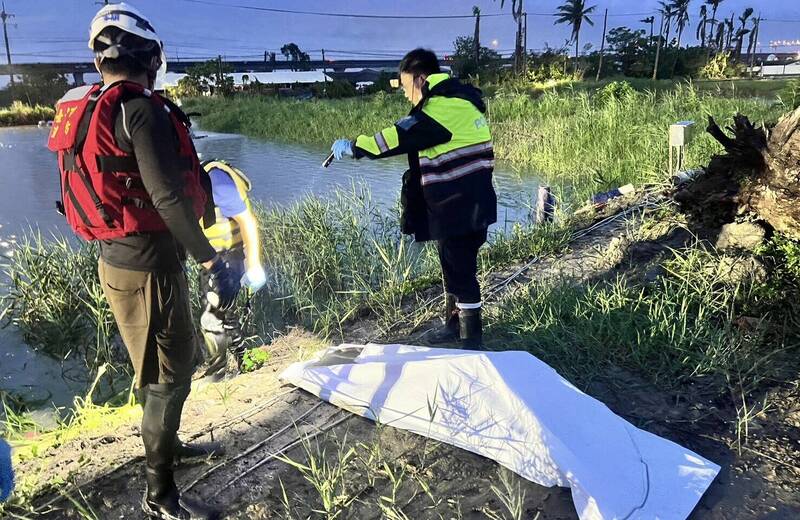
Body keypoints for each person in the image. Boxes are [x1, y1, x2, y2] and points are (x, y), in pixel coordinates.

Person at [47, 3, 239, 518]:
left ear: (101, 61)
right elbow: (168, 198)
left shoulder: (97, 107)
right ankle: (161, 497)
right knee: (168, 375)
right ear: (150, 57)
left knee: (162, 366)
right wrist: (209, 258)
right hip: (149, 265)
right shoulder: (140, 110)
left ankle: (169, 451)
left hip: (123, 261)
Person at [329, 48, 497, 350]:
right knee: (452, 265)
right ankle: (453, 327)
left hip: (463, 205)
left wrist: (355, 146)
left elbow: (396, 137)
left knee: (462, 270)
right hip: (463, 203)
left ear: (420, 79)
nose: (407, 95)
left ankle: (473, 343)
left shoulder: (442, 108)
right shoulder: (456, 101)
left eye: (406, 87)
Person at [196, 159, 266, 380]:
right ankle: (244, 360)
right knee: (226, 314)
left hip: (225, 260)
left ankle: (216, 375)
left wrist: (253, 264)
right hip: (216, 259)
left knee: (211, 319)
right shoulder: (202, 174)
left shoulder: (214, 179)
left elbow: (247, 222)